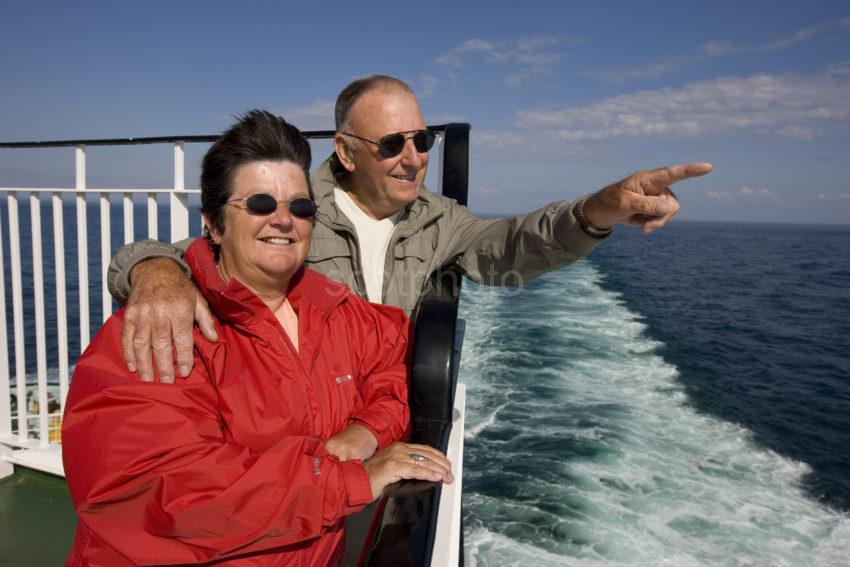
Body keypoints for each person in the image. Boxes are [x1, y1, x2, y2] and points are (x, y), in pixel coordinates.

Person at [107, 74, 713, 383]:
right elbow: (199, 252)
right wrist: (154, 271)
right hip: (292, 416)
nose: (414, 157)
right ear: (345, 151)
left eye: (423, 140)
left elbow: (511, 247)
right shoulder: (292, 209)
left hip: (386, 418)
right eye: (393, 143)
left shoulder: (438, 219)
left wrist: (596, 210)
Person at [62, 110, 453, 566]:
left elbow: (395, 366)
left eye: (301, 207)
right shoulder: (159, 329)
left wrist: (365, 433)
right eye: (260, 204)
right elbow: (165, 490)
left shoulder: (335, 311)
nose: (284, 221)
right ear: (212, 223)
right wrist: (352, 481)